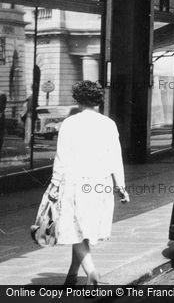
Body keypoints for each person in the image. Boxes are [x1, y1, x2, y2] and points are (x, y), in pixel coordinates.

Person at [47, 81, 129, 286]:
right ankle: (72, 276)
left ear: (78, 100)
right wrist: (121, 187)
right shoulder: (108, 124)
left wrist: (55, 184)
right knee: (83, 230)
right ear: (98, 100)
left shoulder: (70, 123)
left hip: (76, 184)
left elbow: (61, 157)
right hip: (101, 184)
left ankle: (92, 274)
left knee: (76, 230)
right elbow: (115, 158)